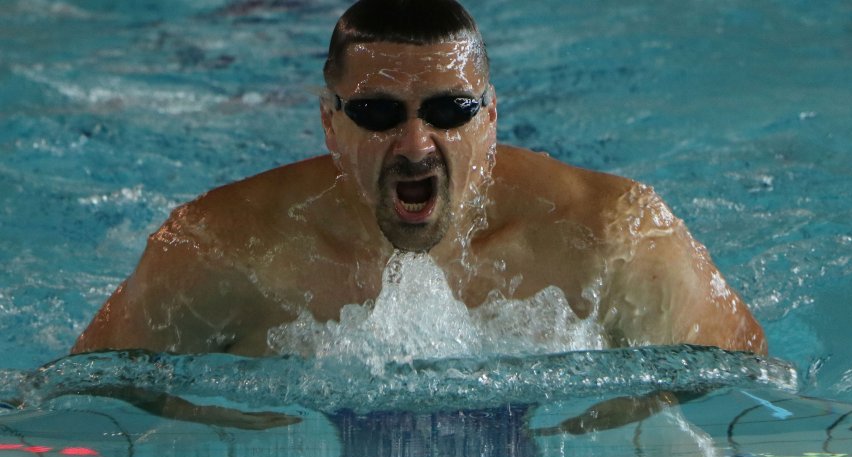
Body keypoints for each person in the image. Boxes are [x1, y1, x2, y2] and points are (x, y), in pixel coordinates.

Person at [72, 0, 766, 358]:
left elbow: (751, 376)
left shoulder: (613, 236)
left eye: (449, 111)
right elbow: (89, 393)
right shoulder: (220, 249)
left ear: (490, 120)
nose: (414, 144)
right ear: (328, 123)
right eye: (377, 113)